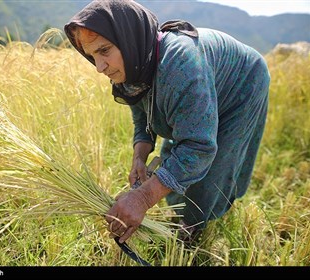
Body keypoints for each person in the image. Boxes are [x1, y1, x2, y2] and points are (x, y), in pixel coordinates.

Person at [64, 0, 270, 245]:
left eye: (104, 50)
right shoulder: (134, 64)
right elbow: (143, 115)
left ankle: (195, 226)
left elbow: (198, 147)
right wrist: (139, 157)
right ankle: (182, 211)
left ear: (129, 39)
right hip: (201, 81)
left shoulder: (181, 64)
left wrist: (142, 198)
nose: (99, 67)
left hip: (242, 83)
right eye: (92, 56)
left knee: (214, 163)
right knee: (176, 156)